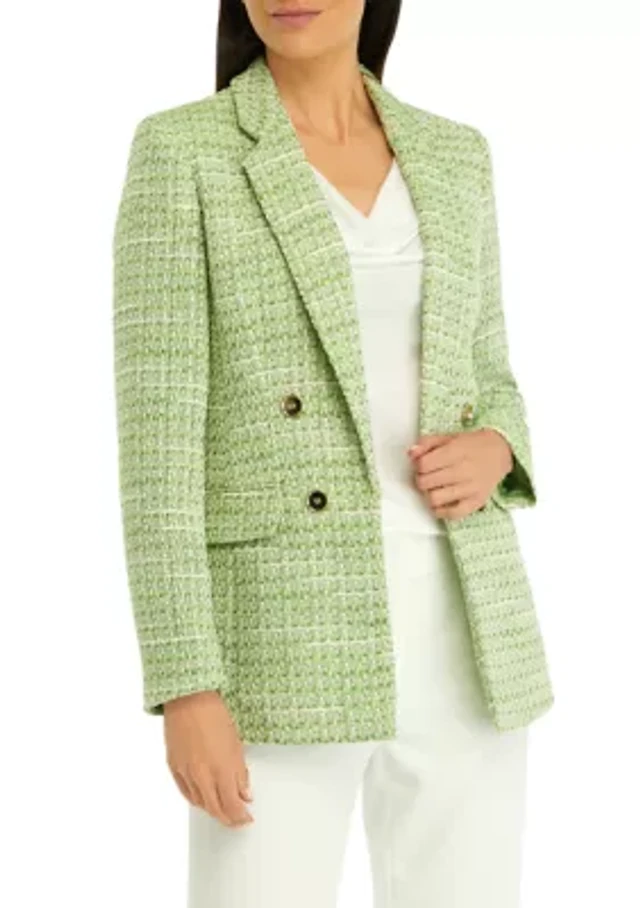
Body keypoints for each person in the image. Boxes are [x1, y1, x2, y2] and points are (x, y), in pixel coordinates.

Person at [112, 1, 554, 905]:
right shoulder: (184, 152)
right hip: (276, 645)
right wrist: (187, 683)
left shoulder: (455, 154)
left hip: (466, 630)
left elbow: (492, 372)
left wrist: (498, 447)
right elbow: (157, 450)